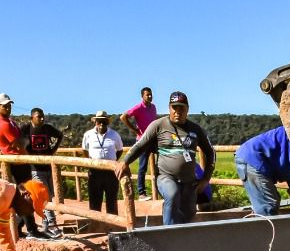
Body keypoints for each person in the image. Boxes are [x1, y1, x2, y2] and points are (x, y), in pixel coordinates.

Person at [113, 91, 215, 226]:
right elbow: (140, 145)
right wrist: (125, 162)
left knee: (188, 214)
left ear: (187, 109)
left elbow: (211, 152)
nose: (177, 111)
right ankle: (167, 233)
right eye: (174, 107)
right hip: (166, 177)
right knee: (172, 194)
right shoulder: (159, 125)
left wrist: (206, 179)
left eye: (181, 108)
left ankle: (182, 241)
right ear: (169, 108)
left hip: (189, 181)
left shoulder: (196, 130)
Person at [234, 126, 290, 216]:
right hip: (253, 158)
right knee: (267, 205)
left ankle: (264, 226)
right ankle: (265, 229)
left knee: (269, 202)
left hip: (250, 155)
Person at [20, 107, 63, 237]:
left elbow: (60, 135)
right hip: (35, 169)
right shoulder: (26, 129)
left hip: (49, 167)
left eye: (43, 116)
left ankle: (45, 224)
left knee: (49, 195)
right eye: (39, 116)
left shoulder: (47, 128)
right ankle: (52, 224)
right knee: (45, 195)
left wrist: (53, 150)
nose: (42, 119)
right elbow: (15, 141)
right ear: (32, 117)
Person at [80, 110, 124, 215]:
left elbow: (120, 150)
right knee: (95, 199)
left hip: (110, 171)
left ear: (108, 122)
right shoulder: (88, 135)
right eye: (99, 121)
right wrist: (91, 162)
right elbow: (85, 150)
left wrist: (112, 161)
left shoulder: (114, 135)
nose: (101, 124)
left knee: (111, 199)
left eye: (104, 121)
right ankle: (96, 223)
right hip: (95, 171)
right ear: (95, 122)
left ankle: (113, 225)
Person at [121, 87, 158, 198]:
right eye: (147, 95)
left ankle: (162, 188)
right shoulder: (138, 107)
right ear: (142, 96)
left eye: (151, 94)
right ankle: (141, 193)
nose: (150, 96)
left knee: (165, 159)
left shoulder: (153, 107)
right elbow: (123, 117)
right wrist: (135, 130)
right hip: (143, 139)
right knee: (142, 166)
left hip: (153, 139)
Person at [0, 93, 31, 186]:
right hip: (18, 164)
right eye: (4, 106)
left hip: (20, 162)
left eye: (9, 106)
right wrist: (27, 141)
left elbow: (10, 141)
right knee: (26, 193)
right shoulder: (4, 124)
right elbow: (19, 145)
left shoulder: (9, 121)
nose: (8, 108)